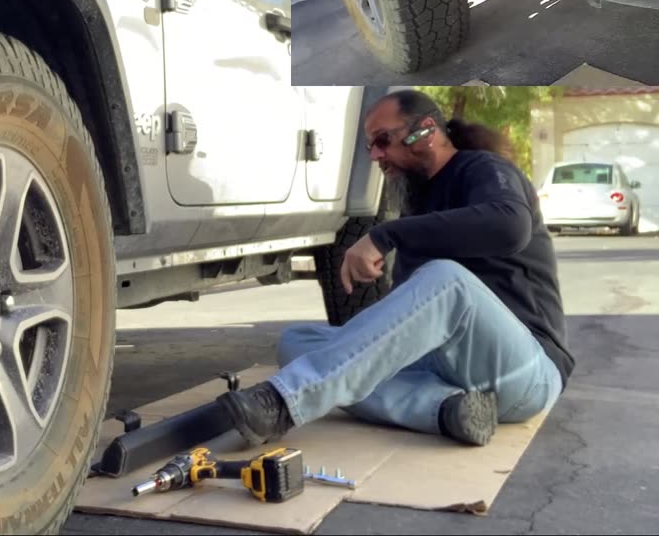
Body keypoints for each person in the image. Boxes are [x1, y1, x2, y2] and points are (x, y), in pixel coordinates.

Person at [217, 89, 575, 447]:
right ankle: (447, 410)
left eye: (383, 141)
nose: (375, 156)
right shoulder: (418, 203)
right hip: (448, 369)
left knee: (445, 277)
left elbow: (509, 227)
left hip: (526, 369)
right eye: (370, 147)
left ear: (426, 131)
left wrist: (385, 234)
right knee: (298, 342)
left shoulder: (484, 169)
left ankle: (282, 403)